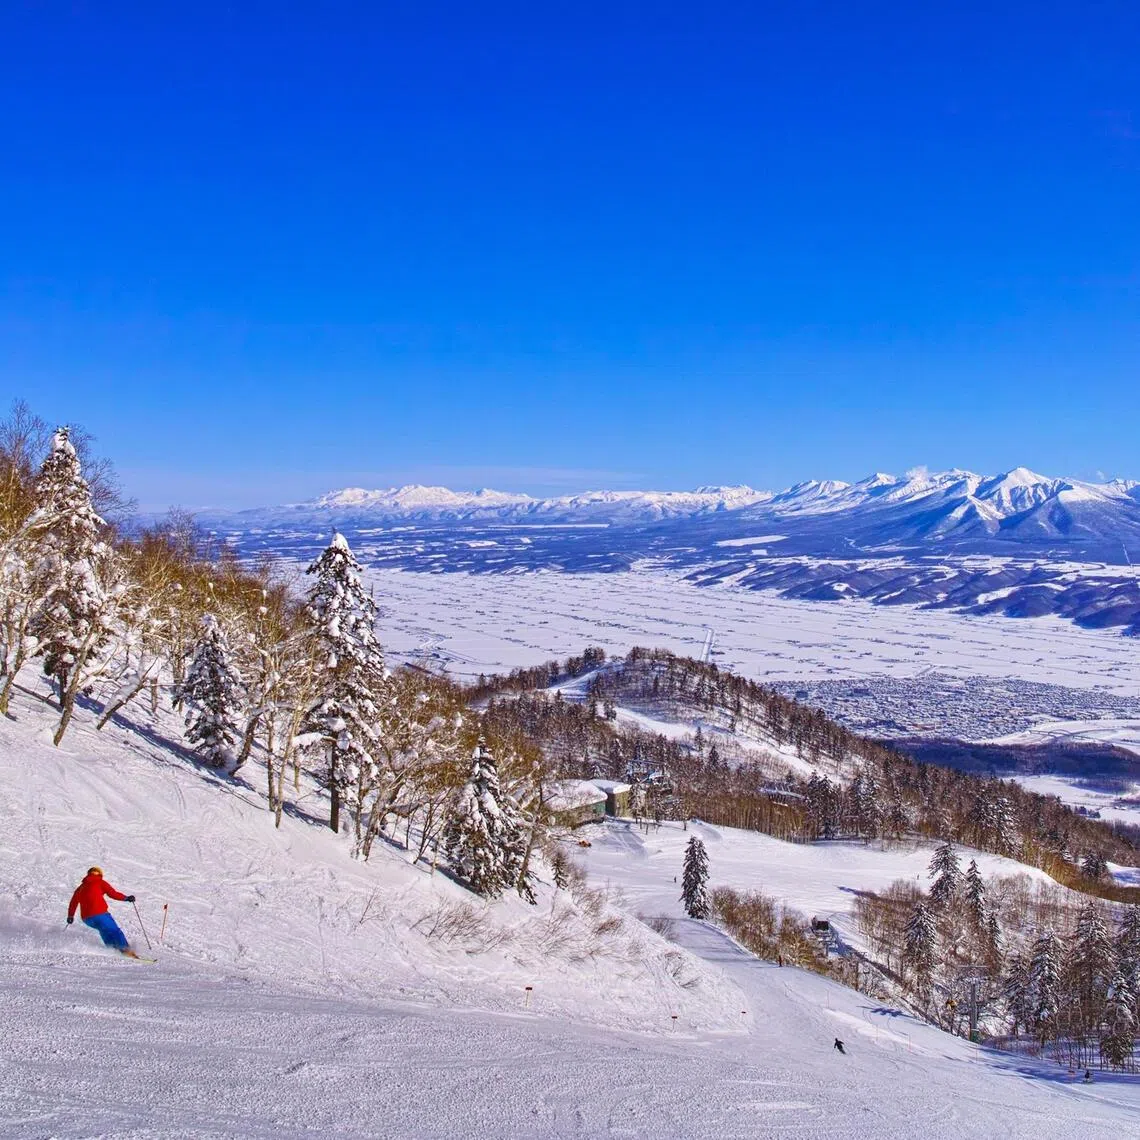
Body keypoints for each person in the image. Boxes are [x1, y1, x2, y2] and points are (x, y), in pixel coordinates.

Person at [67, 866, 138, 957]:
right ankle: (126, 951)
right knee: (114, 931)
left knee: (104, 931)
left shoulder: (81, 887)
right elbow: (113, 894)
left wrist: (70, 916)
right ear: (100, 874)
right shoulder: (100, 882)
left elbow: (73, 902)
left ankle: (112, 951)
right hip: (99, 914)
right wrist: (126, 898)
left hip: (87, 919)